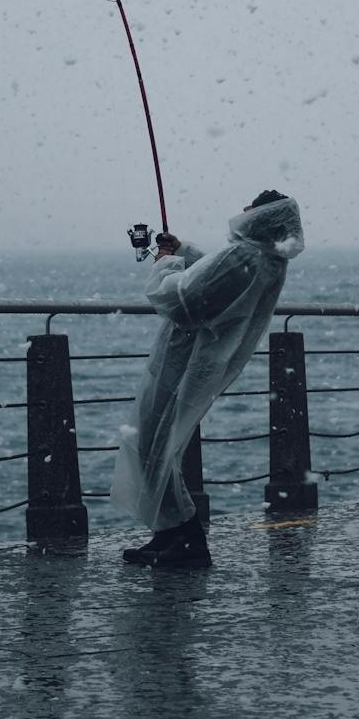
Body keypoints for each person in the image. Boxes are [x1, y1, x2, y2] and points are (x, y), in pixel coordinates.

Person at [111, 190, 305, 568]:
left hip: (185, 360)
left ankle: (186, 538)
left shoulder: (247, 255)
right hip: (202, 363)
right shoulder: (265, 258)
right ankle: (171, 533)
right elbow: (215, 277)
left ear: (262, 216)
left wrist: (165, 264)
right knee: (161, 444)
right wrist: (183, 251)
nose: (243, 211)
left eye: (251, 207)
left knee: (154, 442)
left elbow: (183, 301)